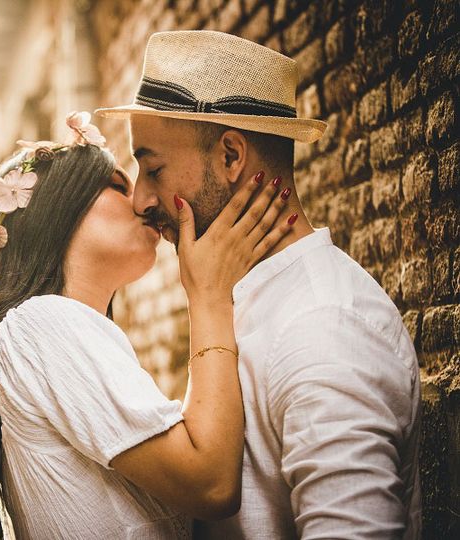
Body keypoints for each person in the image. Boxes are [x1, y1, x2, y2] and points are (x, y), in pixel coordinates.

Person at [96, 30, 422, 539]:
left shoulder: (323, 324)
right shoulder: (233, 299)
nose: (140, 199)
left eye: (154, 167)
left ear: (230, 156)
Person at [0, 111, 295, 539]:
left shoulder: (65, 331)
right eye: (117, 185)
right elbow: (210, 484)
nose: (143, 203)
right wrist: (208, 295)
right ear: (59, 210)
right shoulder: (43, 324)